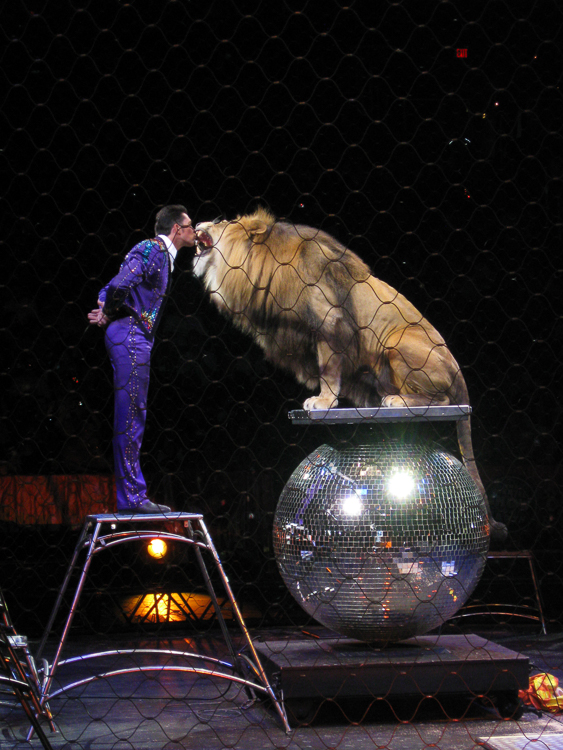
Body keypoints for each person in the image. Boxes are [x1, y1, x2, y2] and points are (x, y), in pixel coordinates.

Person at [88, 205, 197, 513]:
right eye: (189, 226)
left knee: (133, 415)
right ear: (176, 229)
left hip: (131, 334)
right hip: (130, 334)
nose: (193, 231)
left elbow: (110, 287)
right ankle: (132, 498)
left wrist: (105, 308)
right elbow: (118, 286)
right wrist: (110, 311)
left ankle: (131, 496)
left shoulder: (156, 253)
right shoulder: (154, 248)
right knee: (130, 418)